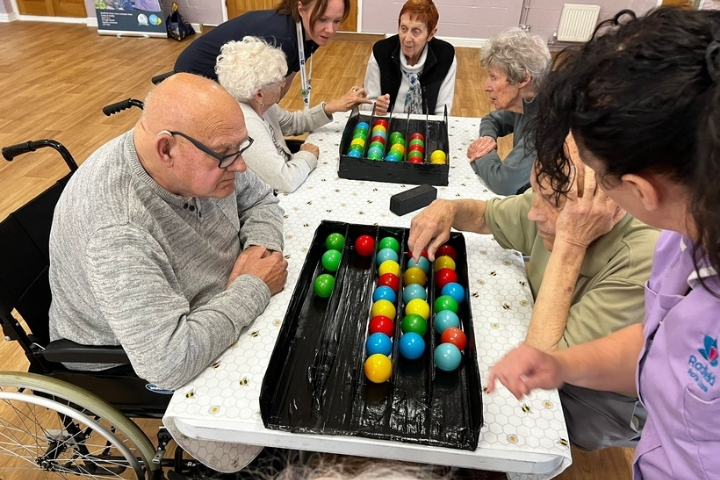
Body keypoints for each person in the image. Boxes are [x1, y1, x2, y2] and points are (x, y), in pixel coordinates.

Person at [487, 8, 720, 479]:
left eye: (598, 179)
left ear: (639, 190)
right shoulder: (683, 241)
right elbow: (661, 343)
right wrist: (560, 364)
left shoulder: (648, 241)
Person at [407, 141, 659, 450]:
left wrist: (572, 241)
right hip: (543, 340)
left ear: (608, 203)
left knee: (495, 428)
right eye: (536, 192)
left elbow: (542, 362)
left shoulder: (643, 257)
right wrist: (448, 207)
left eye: (552, 202)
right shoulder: (559, 192)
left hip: (593, 398)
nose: (533, 213)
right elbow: (486, 216)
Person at [48, 73, 288, 390]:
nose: (241, 166)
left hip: (213, 304)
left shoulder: (204, 151)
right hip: (133, 356)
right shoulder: (117, 230)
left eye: (241, 148)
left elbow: (260, 198)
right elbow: (168, 364)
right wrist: (252, 285)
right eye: (227, 153)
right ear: (167, 150)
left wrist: (256, 251)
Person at [216, 37, 371, 193]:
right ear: (259, 94)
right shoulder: (247, 125)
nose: (283, 83)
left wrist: (330, 108)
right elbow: (285, 181)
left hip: (290, 169)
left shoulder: (260, 104)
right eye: (278, 80)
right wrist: (307, 156)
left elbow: (291, 123)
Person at [174, 0, 349, 100]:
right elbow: (256, 97)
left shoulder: (311, 32)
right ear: (301, 9)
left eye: (336, 21)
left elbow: (285, 80)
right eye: (323, 19)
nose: (330, 30)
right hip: (195, 75)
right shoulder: (282, 39)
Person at [466, 28, 550, 196]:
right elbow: (491, 119)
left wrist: (481, 152)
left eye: (494, 77)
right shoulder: (527, 101)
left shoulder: (544, 123)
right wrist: (488, 138)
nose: (486, 87)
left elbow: (503, 183)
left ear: (523, 79)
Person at [362, 0, 456, 116]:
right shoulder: (381, 52)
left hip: (426, 125)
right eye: (403, 29)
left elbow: (442, 111)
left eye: (415, 32)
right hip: (387, 123)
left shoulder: (445, 56)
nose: (407, 39)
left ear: (431, 34)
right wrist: (377, 107)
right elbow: (367, 104)